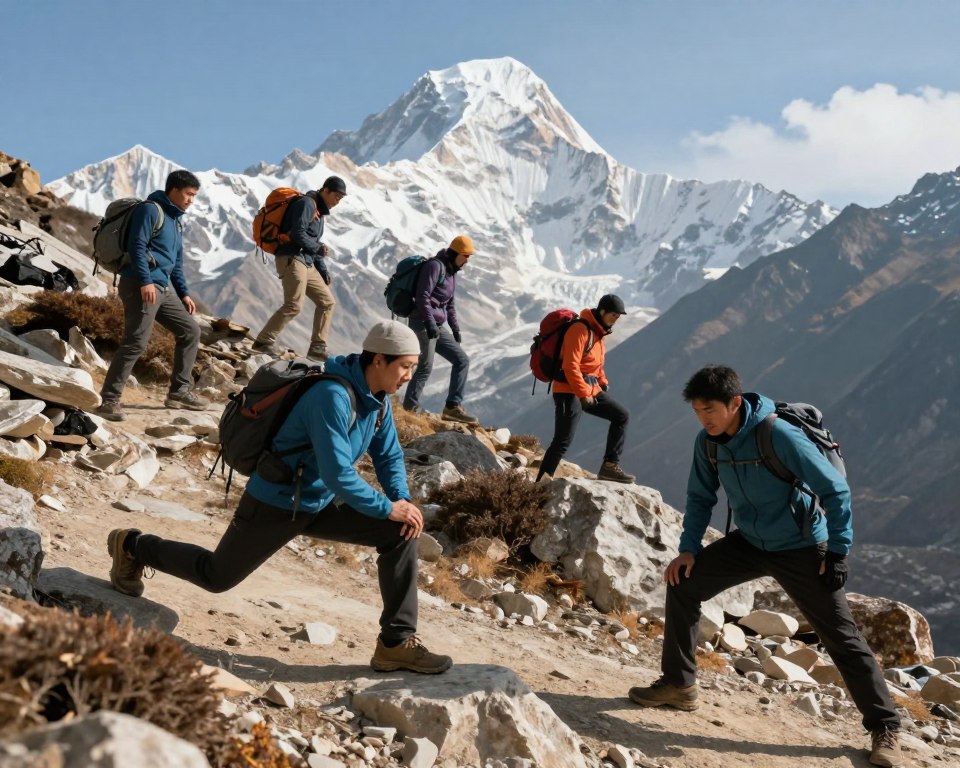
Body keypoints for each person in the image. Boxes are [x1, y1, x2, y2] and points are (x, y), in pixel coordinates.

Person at [107, 319, 452, 675]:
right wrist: (386, 507)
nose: (409, 375)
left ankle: (395, 643)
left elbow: (389, 455)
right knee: (216, 577)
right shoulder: (331, 396)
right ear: (379, 360)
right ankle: (133, 545)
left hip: (321, 501)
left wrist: (402, 501)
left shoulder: (376, 400)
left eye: (412, 367)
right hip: (278, 501)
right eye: (406, 366)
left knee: (400, 532)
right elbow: (339, 474)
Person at [627, 365, 902, 768]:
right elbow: (700, 497)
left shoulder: (778, 435)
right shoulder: (708, 443)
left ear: (734, 403)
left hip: (802, 546)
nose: (703, 418)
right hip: (751, 542)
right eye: (697, 411)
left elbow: (835, 488)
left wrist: (838, 550)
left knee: (840, 636)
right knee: (683, 583)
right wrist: (688, 550)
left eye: (710, 409)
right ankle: (679, 684)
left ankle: (886, 727)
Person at [96, 170, 209, 422]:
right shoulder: (150, 210)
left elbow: (176, 263)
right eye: (189, 194)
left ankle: (179, 392)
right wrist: (146, 280)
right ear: (174, 190)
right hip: (140, 283)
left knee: (190, 331)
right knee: (136, 341)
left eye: (194, 196)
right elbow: (137, 245)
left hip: (162, 288)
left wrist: (184, 294)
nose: (191, 200)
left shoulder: (176, 220)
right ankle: (109, 400)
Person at [535, 294, 634, 484]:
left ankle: (609, 467)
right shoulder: (580, 330)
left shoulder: (599, 332)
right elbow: (570, 366)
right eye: (613, 315)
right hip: (567, 390)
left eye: (618, 317)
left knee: (621, 416)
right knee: (562, 441)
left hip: (589, 389)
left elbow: (595, 365)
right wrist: (582, 395)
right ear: (602, 311)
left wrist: (602, 381)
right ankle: (539, 485)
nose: (616, 320)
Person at [252, 176, 347, 362]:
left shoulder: (319, 213)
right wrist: (317, 248)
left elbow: (313, 241)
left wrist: (322, 269)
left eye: (341, 198)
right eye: (337, 196)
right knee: (294, 304)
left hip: (306, 261)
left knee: (327, 302)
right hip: (291, 257)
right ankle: (263, 342)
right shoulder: (307, 204)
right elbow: (298, 233)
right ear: (325, 190)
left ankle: (317, 348)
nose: (338, 201)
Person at [401, 234, 478, 424]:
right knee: (425, 366)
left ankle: (453, 407)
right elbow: (423, 296)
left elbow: (449, 304)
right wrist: (428, 322)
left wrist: (455, 329)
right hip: (422, 322)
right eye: (465, 256)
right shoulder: (435, 266)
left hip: (437, 325)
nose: (467, 261)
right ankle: (410, 409)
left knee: (461, 360)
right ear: (456, 253)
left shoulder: (452, 272)